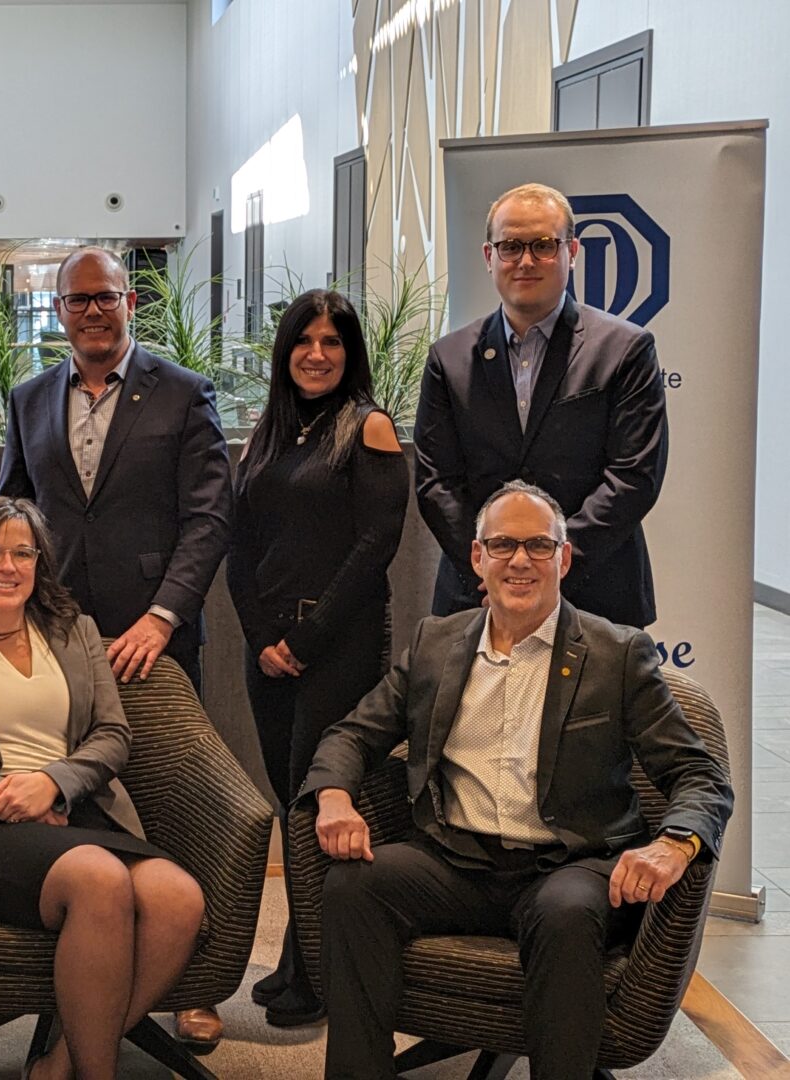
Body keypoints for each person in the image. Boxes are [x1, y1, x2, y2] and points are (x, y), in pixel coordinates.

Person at [304, 480, 733, 1080]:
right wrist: (334, 799)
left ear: (564, 557)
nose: (520, 561)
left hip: (569, 866)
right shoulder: (435, 642)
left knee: (565, 914)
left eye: (538, 545)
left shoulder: (618, 653)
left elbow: (698, 774)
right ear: (477, 558)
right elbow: (352, 733)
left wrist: (674, 842)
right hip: (454, 860)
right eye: (503, 544)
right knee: (354, 888)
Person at [0, 496, 205, 1080]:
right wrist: (1, 791)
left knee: (180, 900)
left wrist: (55, 784)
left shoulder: (77, 632)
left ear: (40, 564)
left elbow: (112, 735)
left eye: (23, 553)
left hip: (79, 812)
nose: (8, 566)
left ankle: (59, 1063)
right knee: (99, 879)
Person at [0, 247, 231, 1049]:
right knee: (71, 791)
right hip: (57, 639)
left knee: (172, 794)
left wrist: (164, 616)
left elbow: (208, 518)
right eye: (76, 302)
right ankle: (78, 966)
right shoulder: (29, 398)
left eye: (104, 299)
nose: (92, 313)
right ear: (57, 310)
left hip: (151, 639)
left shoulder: (183, 392)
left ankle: (188, 983)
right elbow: (13, 515)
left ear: (129, 301)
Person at [227, 289, 407, 1027]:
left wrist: (301, 642)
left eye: (333, 342)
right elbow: (239, 545)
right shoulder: (269, 432)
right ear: (286, 349)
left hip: (338, 650)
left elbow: (375, 549)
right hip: (268, 648)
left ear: (350, 353)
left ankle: (320, 970)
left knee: (318, 805)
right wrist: (260, 635)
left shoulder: (369, 429)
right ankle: (301, 955)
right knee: (290, 802)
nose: (317, 353)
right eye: (306, 340)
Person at [414, 182, 668, 629]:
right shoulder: (448, 359)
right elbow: (436, 482)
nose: (526, 260)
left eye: (543, 245)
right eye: (510, 246)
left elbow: (633, 477)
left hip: (596, 593)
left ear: (572, 252)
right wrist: (491, 566)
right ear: (490, 257)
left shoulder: (625, 350)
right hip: (476, 597)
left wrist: (552, 563)